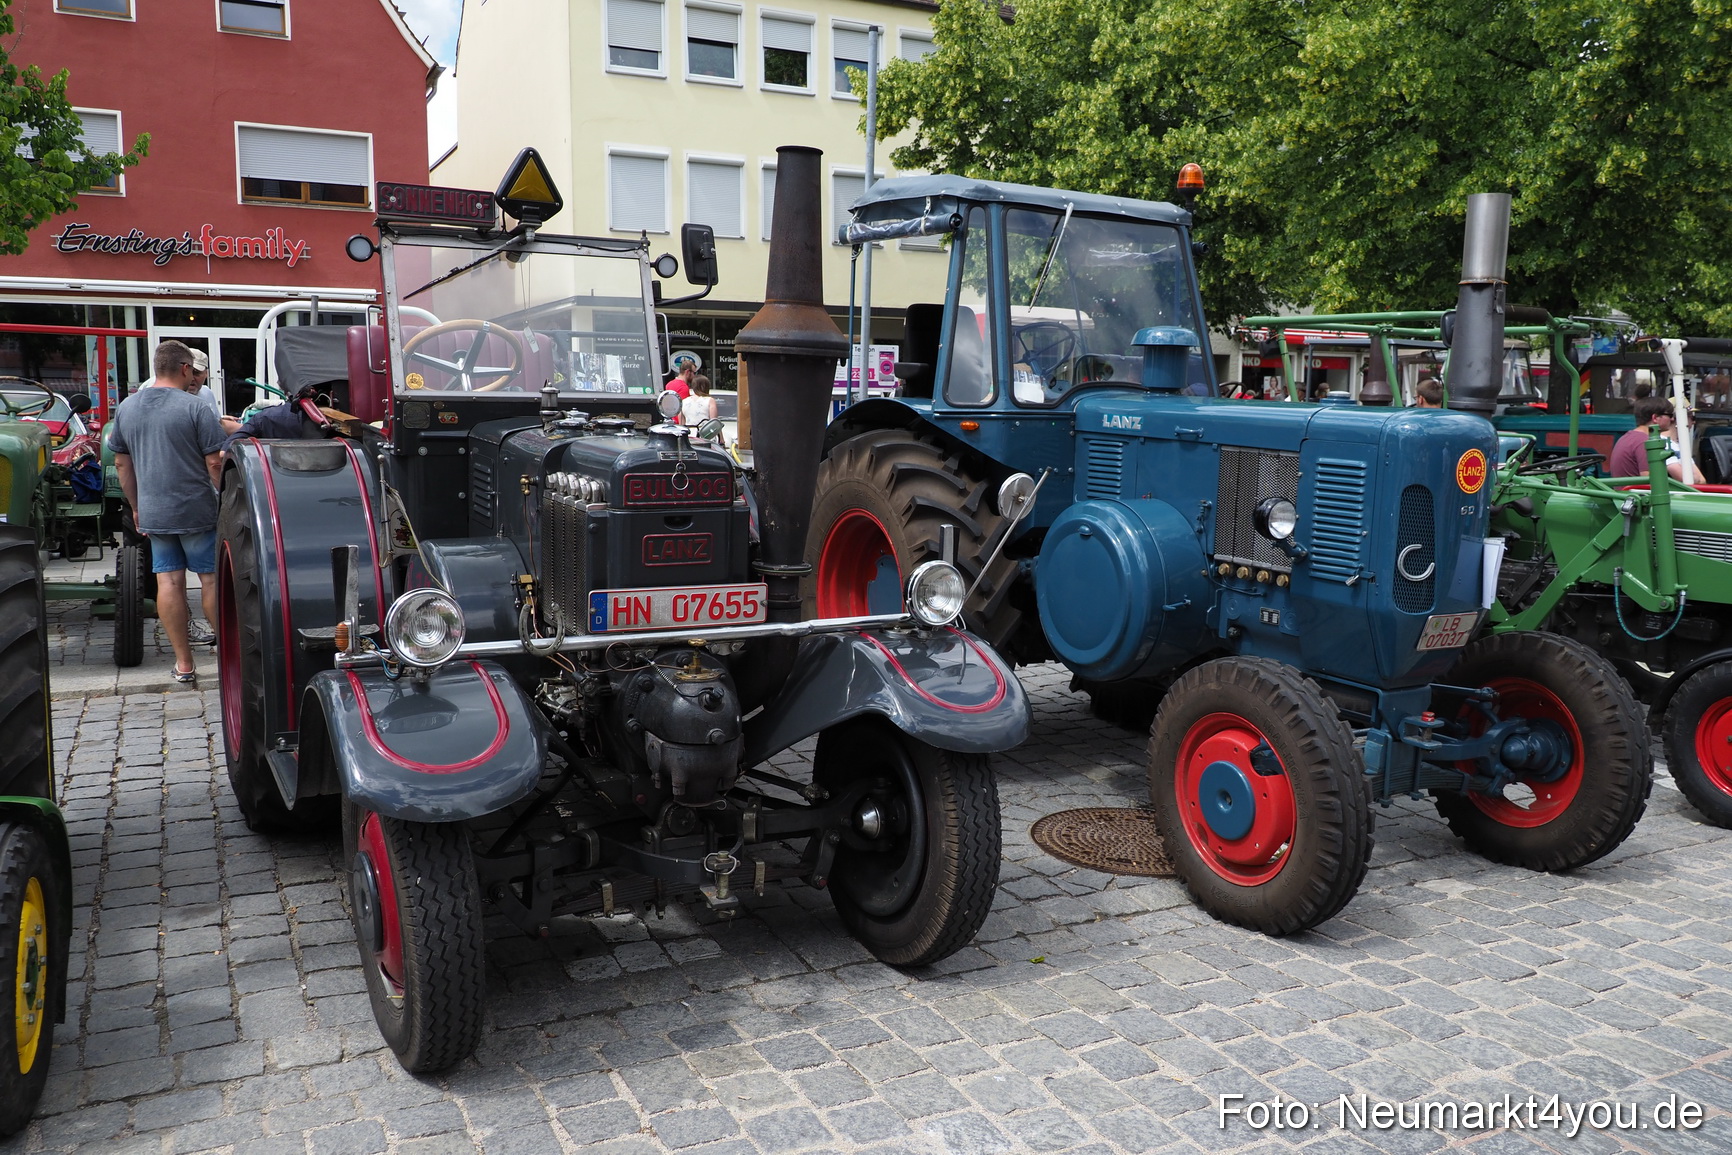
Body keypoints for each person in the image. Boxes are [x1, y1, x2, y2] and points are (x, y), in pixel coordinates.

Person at [110, 340, 227, 684]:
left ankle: (185, 665)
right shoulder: (196, 408)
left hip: (155, 511)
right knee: (210, 580)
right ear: (186, 369)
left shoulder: (127, 408)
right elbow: (214, 462)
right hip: (195, 509)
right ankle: (227, 658)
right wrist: (223, 495)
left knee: (169, 581)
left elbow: (121, 463)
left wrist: (136, 507)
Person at [1608, 396, 1684, 480]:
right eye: (1669, 415)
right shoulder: (1646, 442)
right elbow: (1650, 480)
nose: (1672, 419)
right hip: (1636, 492)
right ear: (1655, 418)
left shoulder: (1628, 437)